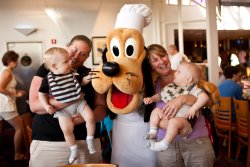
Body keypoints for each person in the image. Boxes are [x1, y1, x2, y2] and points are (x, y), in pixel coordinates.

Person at [29, 35, 107, 167]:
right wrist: (73, 98)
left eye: (83, 54)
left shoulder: (90, 74)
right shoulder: (48, 69)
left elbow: (102, 109)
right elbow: (35, 106)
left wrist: (81, 119)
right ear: (67, 47)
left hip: (86, 143)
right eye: (74, 49)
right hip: (50, 144)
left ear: (87, 57)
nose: (76, 56)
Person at [147, 44, 215, 167]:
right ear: (151, 66)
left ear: (168, 56)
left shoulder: (186, 72)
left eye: (162, 56)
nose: (161, 61)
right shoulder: (153, 84)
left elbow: (209, 101)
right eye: (155, 60)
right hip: (166, 145)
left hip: (196, 141)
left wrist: (182, 99)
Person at [38, 47, 96, 164]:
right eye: (65, 62)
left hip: (79, 103)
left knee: (91, 117)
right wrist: (46, 106)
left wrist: (88, 78)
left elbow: (82, 82)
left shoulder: (72, 74)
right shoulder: (47, 80)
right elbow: (42, 93)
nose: (70, 63)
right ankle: (73, 149)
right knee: (67, 129)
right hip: (62, 110)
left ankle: (90, 139)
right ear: (54, 66)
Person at [143, 62, 209, 152]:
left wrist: (194, 109)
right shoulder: (172, 86)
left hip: (184, 120)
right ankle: (153, 132)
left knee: (174, 122)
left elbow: (204, 97)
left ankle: (164, 144)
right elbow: (160, 95)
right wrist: (152, 99)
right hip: (169, 117)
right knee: (156, 111)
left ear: (188, 79)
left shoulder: (192, 88)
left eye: (179, 71)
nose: (175, 72)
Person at [0, 50, 26, 160]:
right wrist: (15, 93)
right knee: (19, 128)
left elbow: (6, 87)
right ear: (9, 61)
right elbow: (0, 88)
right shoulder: (7, 72)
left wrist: (15, 91)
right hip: (5, 106)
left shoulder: (5, 71)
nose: (17, 63)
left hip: (2, 105)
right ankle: (18, 154)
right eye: (15, 61)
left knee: (1, 129)